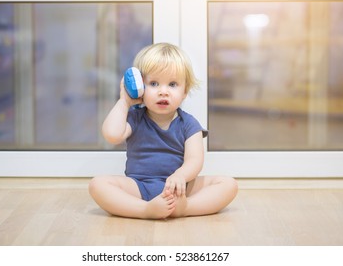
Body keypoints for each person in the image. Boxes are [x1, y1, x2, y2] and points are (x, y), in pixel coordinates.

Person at [89, 43, 238, 219]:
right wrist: (124, 101)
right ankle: (145, 209)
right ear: (139, 88)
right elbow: (112, 135)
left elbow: (195, 159)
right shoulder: (135, 117)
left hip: (179, 187)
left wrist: (180, 176)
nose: (163, 91)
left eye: (173, 84)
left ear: (185, 91)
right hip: (139, 186)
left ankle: (185, 208)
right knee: (97, 184)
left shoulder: (189, 124)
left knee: (228, 184)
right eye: (153, 83)